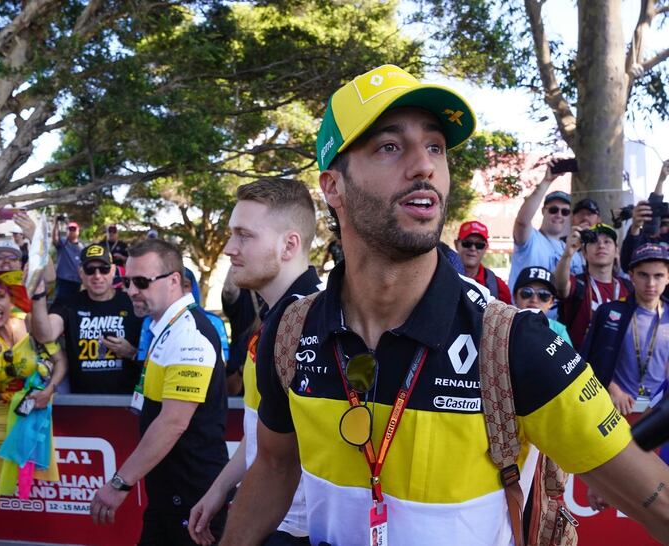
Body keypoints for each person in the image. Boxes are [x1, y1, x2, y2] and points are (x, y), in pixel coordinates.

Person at [220, 64, 669, 546]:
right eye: (390, 147)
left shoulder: (514, 343)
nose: (424, 166)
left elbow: (654, 502)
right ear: (333, 187)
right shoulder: (290, 331)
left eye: (435, 146)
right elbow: (272, 465)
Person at [189, 178, 320, 546]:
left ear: (288, 245)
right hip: (267, 518)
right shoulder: (273, 320)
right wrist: (220, 488)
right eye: (232, 234)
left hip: (300, 530)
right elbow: (263, 429)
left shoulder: (322, 326)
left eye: (244, 235)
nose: (230, 248)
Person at [90, 239, 228, 546]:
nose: (131, 290)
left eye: (142, 282)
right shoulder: (164, 327)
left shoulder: (189, 333)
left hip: (193, 496)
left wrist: (118, 484)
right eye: (127, 281)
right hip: (171, 494)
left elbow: (172, 423)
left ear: (175, 280)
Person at [0, 271, 60, 480]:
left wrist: (50, 388)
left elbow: (61, 360)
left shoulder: (29, 323)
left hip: (35, 418)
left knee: (35, 487)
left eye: (0, 297)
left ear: (11, 300)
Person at [30, 244, 142, 394]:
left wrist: (131, 352)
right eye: (90, 270)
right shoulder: (69, 303)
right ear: (81, 273)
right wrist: (38, 295)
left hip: (127, 400)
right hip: (81, 403)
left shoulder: (132, 302)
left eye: (104, 269)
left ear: (114, 270)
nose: (97, 276)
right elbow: (45, 335)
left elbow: (156, 356)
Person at [581, 243, 669, 416]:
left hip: (658, 412)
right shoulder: (609, 312)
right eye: (643, 275)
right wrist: (612, 389)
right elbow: (587, 361)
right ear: (631, 276)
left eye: (658, 276)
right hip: (615, 408)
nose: (651, 283)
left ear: (668, 277)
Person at [508, 166, 584, 299]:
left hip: (559, 319)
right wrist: (546, 181)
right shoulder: (530, 239)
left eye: (565, 212)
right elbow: (522, 221)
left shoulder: (575, 252)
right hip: (524, 316)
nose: (559, 215)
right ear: (543, 211)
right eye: (553, 210)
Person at [554, 223, 631, 347]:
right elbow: (559, 286)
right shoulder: (577, 283)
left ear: (617, 251)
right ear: (584, 252)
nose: (601, 245)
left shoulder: (628, 288)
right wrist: (568, 254)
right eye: (594, 241)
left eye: (607, 242)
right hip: (580, 363)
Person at [620, 159, 669, 271]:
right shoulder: (645, 239)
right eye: (663, 224)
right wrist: (661, 179)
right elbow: (626, 263)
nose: (666, 228)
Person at [454, 220, 511, 303]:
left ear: (486, 248)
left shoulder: (499, 287)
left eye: (479, 245)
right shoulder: (441, 275)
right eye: (467, 243)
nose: (473, 248)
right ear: (456, 244)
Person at [511, 267, 571, 345]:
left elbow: (567, 357)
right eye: (527, 292)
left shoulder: (559, 330)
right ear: (515, 297)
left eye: (544, 295)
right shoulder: (505, 327)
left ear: (551, 302)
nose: (534, 300)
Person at [52, 218, 84, 304]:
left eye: (74, 229)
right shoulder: (63, 243)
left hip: (76, 281)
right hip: (63, 280)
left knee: (74, 305)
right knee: (60, 304)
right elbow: (55, 238)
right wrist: (55, 223)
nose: (71, 231)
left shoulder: (82, 248)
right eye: (69, 229)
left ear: (78, 231)